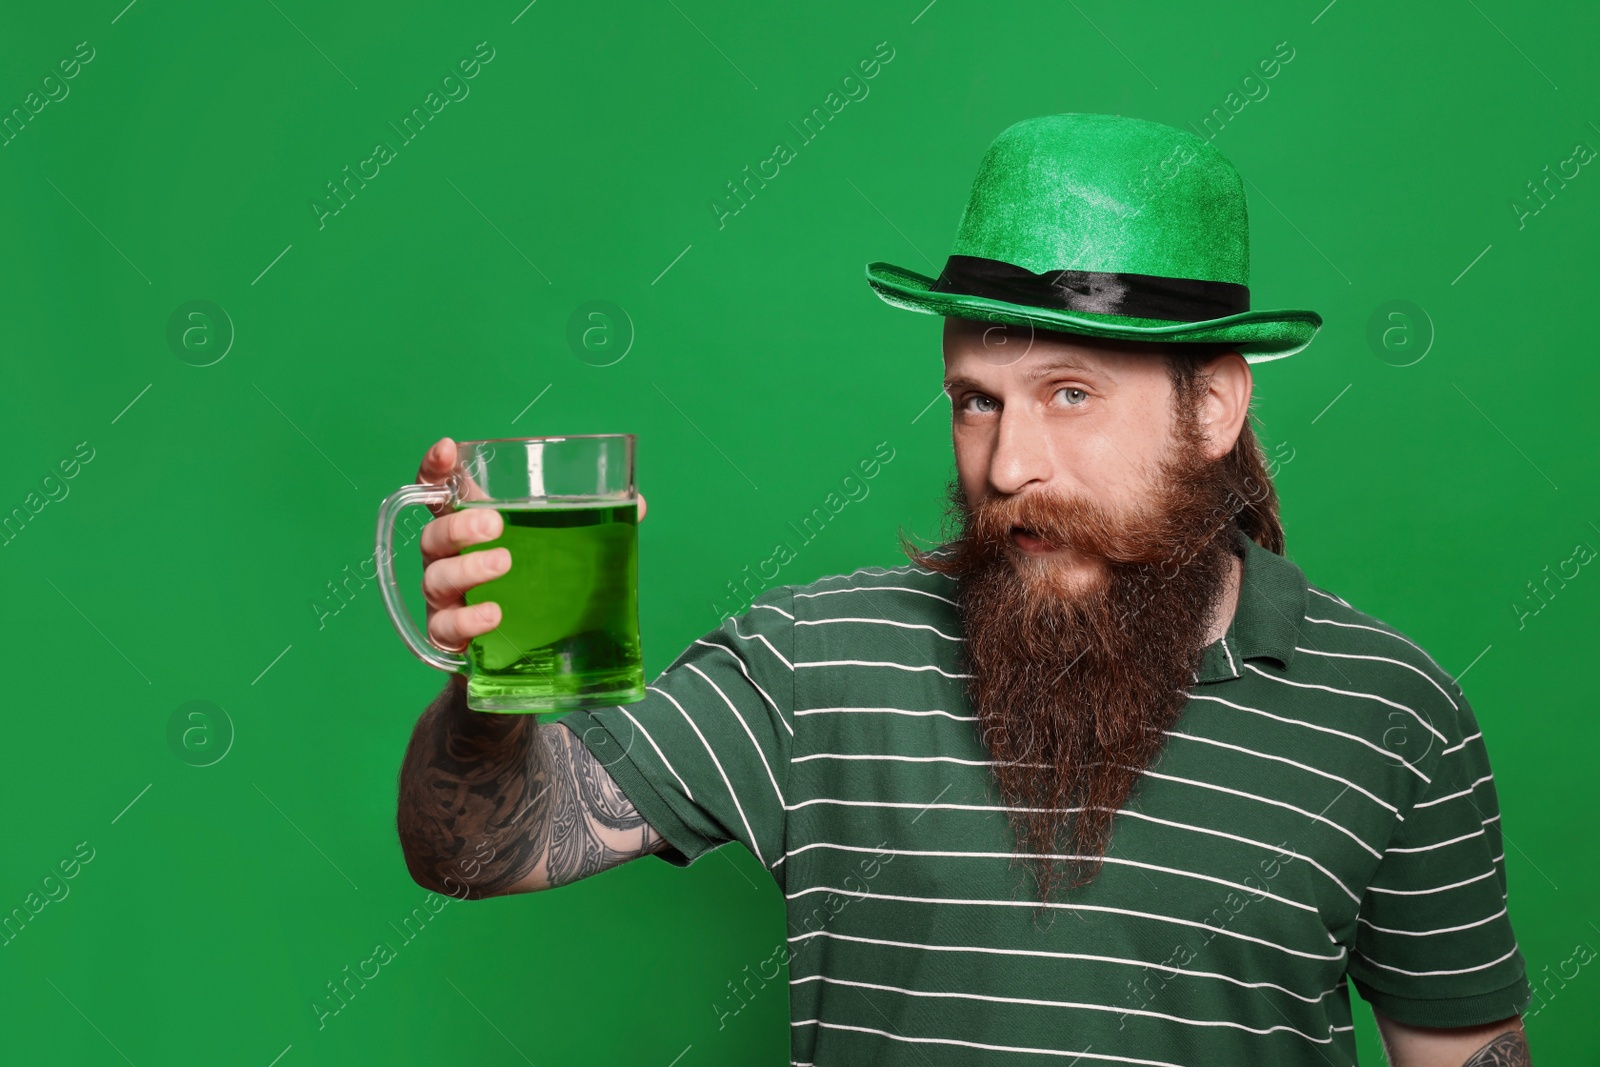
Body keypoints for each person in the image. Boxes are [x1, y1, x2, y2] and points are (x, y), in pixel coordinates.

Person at [394, 114, 1531, 1066]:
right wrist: (499, 684)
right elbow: (481, 851)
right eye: (977, 397)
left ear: (1215, 406)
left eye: (1071, 392)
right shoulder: (815, 659)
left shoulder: (1393, 714)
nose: (1005, 464)